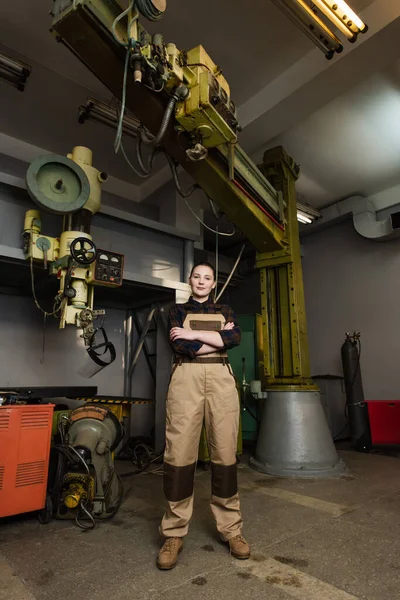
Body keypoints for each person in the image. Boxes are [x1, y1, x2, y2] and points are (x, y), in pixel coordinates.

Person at [157, 262, 250, 570]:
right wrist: (216, 337)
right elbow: (180, 345)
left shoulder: (227, 308)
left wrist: (195, 335)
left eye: (207, 277)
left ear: (213, 284)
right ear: (190, 281)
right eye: (196, 276)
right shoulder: (175, 311)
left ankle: (231, 531)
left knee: (225, 455)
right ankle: (173, 533)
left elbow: (235, 339)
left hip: (222, 381)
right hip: (186, 379)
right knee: (179, 456)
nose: (201, 281)